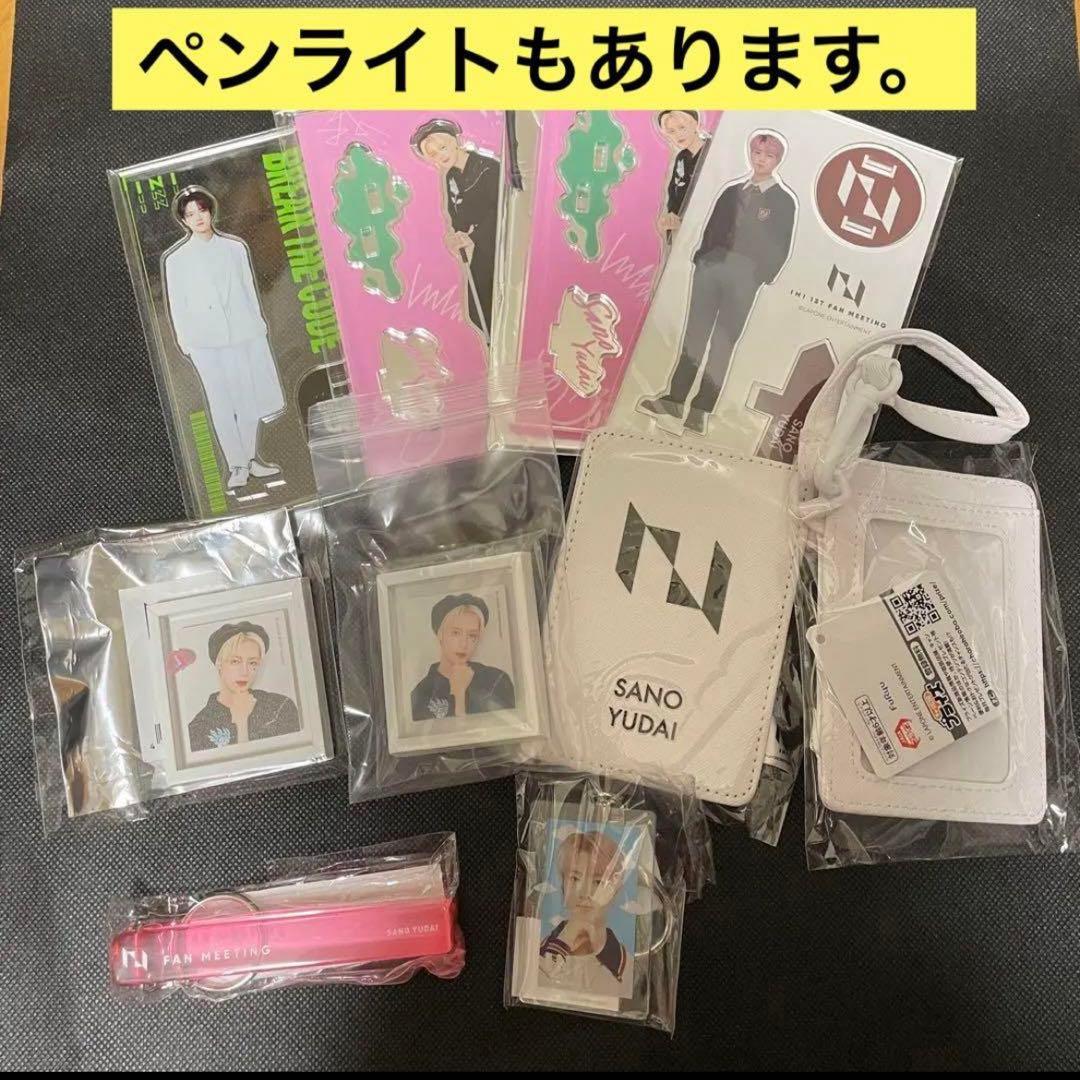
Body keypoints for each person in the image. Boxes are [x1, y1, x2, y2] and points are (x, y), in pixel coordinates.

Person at [638, 131, 796, 438]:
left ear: (778, 160)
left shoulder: (782, 201)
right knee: (694, 336)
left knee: (723, 343)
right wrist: (702, 258)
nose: (761, 160)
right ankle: (674, 401)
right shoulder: (732, 192)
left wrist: (758, 275)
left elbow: (781, 245)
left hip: (744, 278)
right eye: (757, 153)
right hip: (710, 269)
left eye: (768, 155)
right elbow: (711, 228)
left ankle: (700, 412)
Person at [162, 187, 285, 491]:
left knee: (247, 396)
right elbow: (177, 304)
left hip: (241, 333)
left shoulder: (234, 248)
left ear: (211, 211)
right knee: (220, 400)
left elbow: (248, 289)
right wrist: (185, 342)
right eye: (190, 214)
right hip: (204, 341)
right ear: (183, 220)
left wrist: (257, 325)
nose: (197, 217)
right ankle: (236, 465)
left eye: (201, 210)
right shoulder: (176, 260)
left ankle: (250, 459)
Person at [411, 119, 501, 346]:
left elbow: (500, 210)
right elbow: (457, 216)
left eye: (442, 147)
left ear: (455, 142)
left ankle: (504, 345)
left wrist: (471, 237)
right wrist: (456, 236)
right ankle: (494, 347)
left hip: (500, 243)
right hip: (481, 245)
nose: (440, 156)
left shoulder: (488, 167)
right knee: (476, 308)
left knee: (495, 300)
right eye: (432, 154)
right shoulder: (451, 177)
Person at [538, 830, 631, 996]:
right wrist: (564, 939)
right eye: (575, 878)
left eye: (598, 881)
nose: (585, 892)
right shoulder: (534, 955)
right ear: (563, 884)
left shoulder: (631, 968)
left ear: (615, 892)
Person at [188, 622, 301, 751]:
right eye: (235, 661)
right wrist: (241, 723)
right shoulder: (198, 728)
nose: (244, 672)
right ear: (219, 664)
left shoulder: (281, 707)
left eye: (252, 663)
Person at [411, 593, 515, 721]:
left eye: (472, 635)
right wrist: (459, 696)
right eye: (455, 633)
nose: (464, 644)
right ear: (440, 634)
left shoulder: (496, 681)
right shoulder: (421, 696)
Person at [655, 110, 709, 242]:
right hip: (683, 233)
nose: (678, 134)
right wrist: (670, 220)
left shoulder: (712, 150)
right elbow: (673, 194)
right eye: (671, 131)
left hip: (706, 230)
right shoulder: (681, 158)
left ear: (695, 124)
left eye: (682, 127)